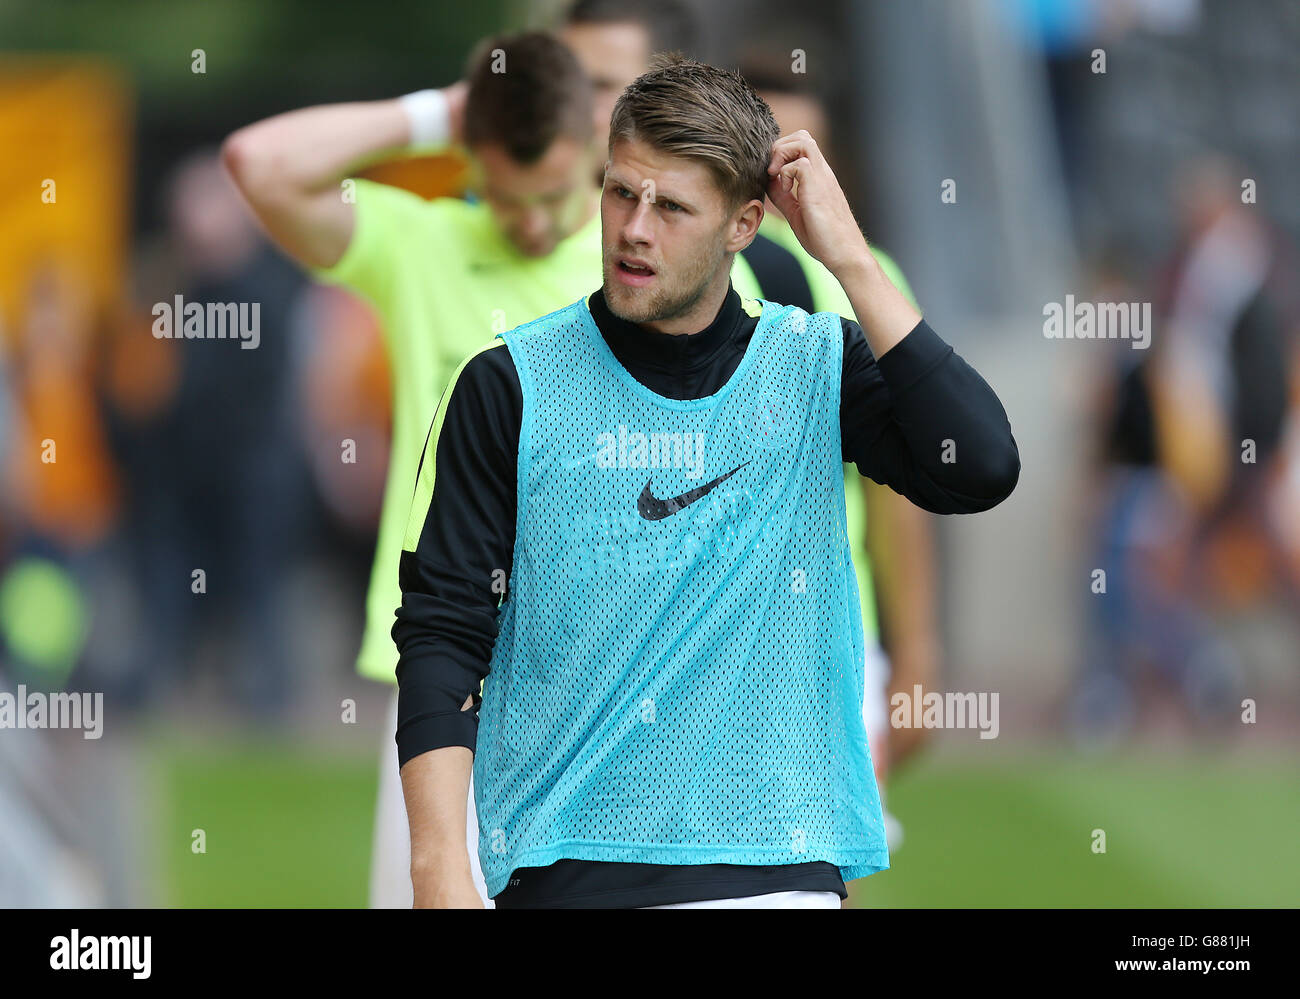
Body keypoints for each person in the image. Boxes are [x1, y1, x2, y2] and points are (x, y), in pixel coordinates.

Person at [395, 54, 1020, 909]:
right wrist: (435, 867)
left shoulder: (816, 367)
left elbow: (981, 464)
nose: (634, 230)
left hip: (778, 875)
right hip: (565, 871)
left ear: (745, 224)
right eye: (621, 192)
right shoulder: (509, 384)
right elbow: (441, 632)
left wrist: (850, 261)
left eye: (673, 207)